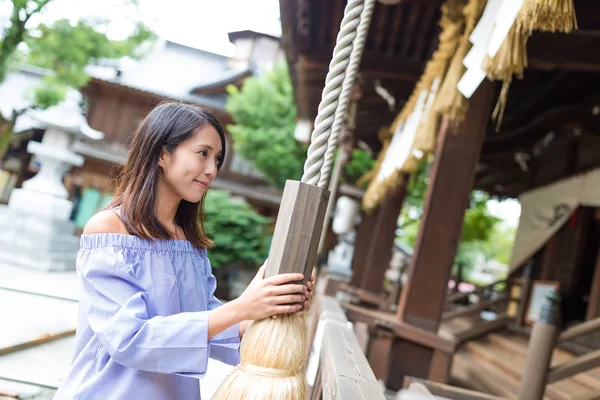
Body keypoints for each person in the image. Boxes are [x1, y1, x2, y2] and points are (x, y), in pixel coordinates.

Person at [54, 102, 314, 400]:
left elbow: (210, 327)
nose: (212, 169)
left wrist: (273, 306)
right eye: (203, 153)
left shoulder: (189, 244)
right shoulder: (109, 229)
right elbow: (129, 340)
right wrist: (242, 307)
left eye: (217, 159)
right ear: (162, 153)